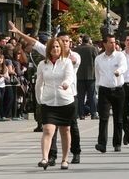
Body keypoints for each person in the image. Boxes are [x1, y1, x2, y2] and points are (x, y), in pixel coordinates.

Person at [9, 23, 82, 165]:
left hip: (69, 96)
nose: (64, 44)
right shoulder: (48, 58)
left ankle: (75, 152)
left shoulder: (74, 57)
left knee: (70, 127)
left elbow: (70, 75)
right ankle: (51, 155)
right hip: (51, 99)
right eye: (62, 41)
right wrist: (18, 32)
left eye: (67, 41)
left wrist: (66, 84)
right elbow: (34, 43)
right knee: (50, 129)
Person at [35, 38, 75, 170]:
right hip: (49, 102)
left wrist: (66, 84)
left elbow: (70, 76)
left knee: (65, 130)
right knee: (47, 130)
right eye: (53, 47)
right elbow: (39, 83)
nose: (56, 49)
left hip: (65, 101)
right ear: (49, 50)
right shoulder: (42, 64)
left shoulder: (67, 62)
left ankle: (65, 159)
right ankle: (45, 158)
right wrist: (39, 100)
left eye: (58, 47)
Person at [94, 34, 128, 153]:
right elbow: (97, 74)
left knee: (118, 118)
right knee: (103, 118)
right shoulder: (99, 58)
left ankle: (117, 143)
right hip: (104, 90)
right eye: (110, 42)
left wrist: (118, 71)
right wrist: (97, 89)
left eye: (114, 42)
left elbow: (124, 66)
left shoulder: (120, 56)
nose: (113, 44)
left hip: (118, 90)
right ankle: (102, 144)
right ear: (104, 44)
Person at [74, 35, 99, 120]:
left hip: (79, 76)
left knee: (80, 97)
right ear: (89, 40)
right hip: (91, 76)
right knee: (92, 96)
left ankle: (81, 114)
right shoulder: (93, 49)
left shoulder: (76, 49)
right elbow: (97, 60)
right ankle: (93, 113)